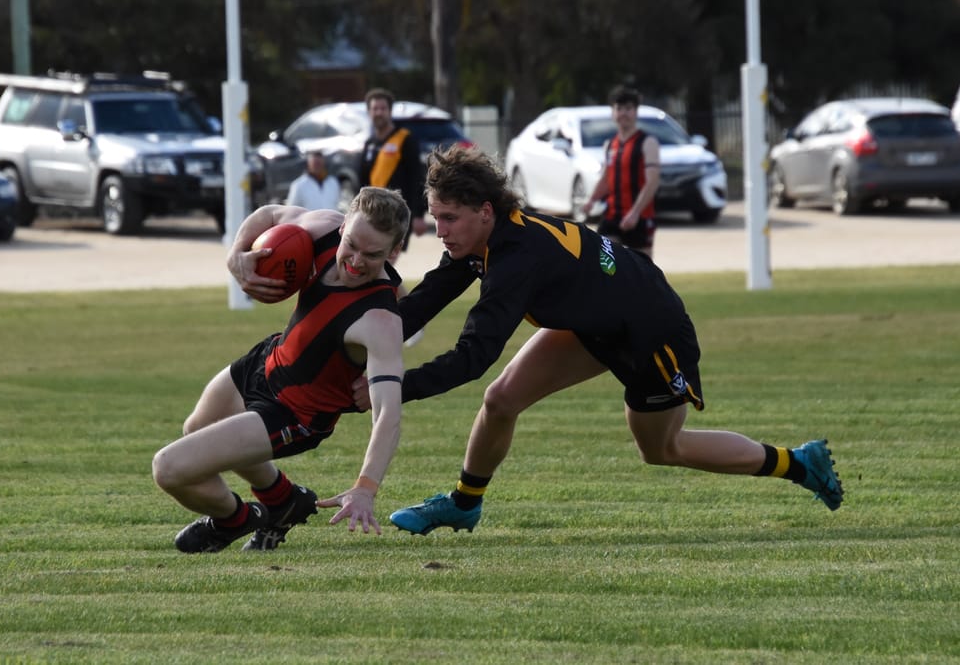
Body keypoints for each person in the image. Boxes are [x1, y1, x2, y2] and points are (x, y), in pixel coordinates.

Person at [350, 145, 842, 536]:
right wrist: (347, 333)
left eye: (449, 218)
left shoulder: (516, 259)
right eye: (435, 217)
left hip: (649, 331)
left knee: (662, 448)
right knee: (501, 400)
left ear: (484, 211)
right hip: (595, 322)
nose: (439, 231)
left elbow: (474, 355)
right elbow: (424, 301)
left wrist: (392, 387)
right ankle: (464, 504)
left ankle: (798, 463)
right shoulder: (481, 240)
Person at [152, 187, 411, 552]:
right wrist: (237, 254)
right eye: (351, 245)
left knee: (169, 468)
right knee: (195, 428)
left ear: (394, 252)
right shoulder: (324, 227)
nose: (355, 262)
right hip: (268, 360)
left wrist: (365, 488)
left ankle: (235, 520)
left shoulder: (380, 320)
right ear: (343, 226)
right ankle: (283, 500)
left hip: (295, 415)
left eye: (372, 255)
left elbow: (388, 415)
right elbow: (270, 214)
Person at [583, 85, 661, 259]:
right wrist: (591, 200)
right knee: (605, 264)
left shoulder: (647, 142)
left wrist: (635, 213)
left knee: (642, 268)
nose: (623, 113)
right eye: (619, 108)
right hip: (612, 215)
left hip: (640, 217)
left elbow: (653, 181)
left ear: (636, 112)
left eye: (628, 108)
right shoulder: (610, 144)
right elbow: (606, 178)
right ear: (613, 113)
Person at [360, 87, 426, 251]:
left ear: (390, 111)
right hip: (373, 214)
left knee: (386, 257)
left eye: (383, 108)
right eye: (375, 109)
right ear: (369, 112)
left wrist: (418, 214)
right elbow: (362, 183)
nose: (379, 112)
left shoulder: (404, 139)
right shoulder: (369, 144)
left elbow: (417, 177)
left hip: (398, 213)